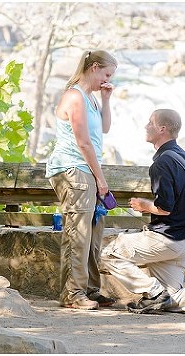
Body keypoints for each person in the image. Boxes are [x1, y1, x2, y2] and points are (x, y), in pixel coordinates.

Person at [100, 109, 185, 317]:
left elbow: (165, 207)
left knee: (110, 253)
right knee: (172, 298)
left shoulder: (162, 162)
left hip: (165, 239)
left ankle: (153, 292)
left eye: (150, 123)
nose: (146, 126)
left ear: (162, 129)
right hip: (184, 243)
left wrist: (142, 205)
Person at [46, 50, 118, 310]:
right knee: (78, 232)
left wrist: (106, 99)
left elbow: (105, 128)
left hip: (85, 169)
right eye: (107, 74)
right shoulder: (75, 96)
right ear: (94, 67)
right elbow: (83, 142)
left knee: (93, 232)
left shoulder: (91, 99)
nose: (107, 80)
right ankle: (72, 294)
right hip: (73, 168)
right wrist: (100, 178)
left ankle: (90, 289)